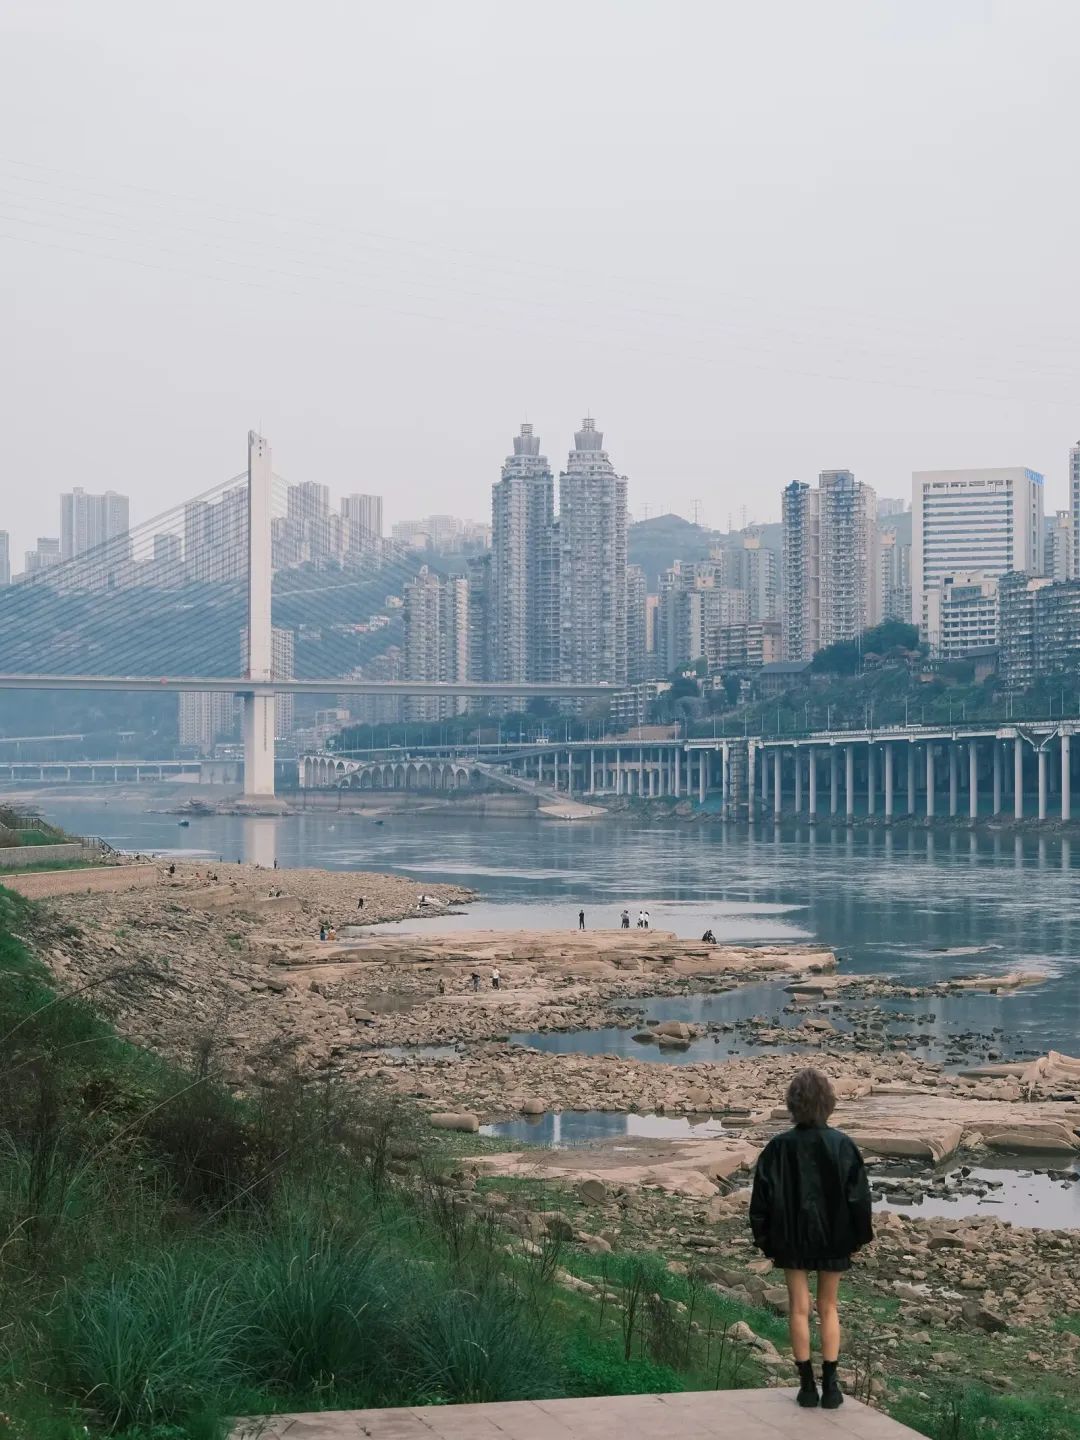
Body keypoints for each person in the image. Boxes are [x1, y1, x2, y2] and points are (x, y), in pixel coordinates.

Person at [749, 1068, 872, 1411]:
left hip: (790, 1239)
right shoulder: (843, 1146)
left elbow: (760, 1200)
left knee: (799, 1308)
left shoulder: (777, 1148)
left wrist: (766, 1241)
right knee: (829, 1307)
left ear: (793, 1104)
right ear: (828, 1103)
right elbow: (860, 1198)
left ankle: (806, 1387)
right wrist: (858, 1237)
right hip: (834, 1238)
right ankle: (831, 1387)